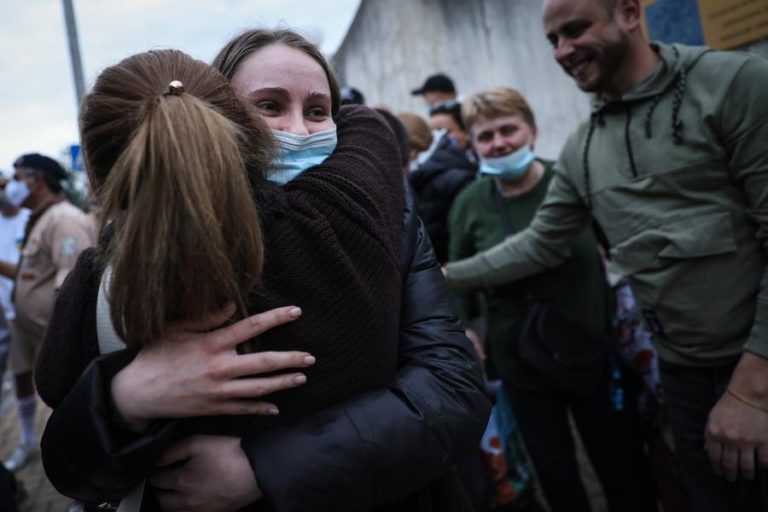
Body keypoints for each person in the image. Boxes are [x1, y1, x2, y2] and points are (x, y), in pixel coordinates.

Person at [37, 31, 489, 512]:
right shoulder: (369, 200)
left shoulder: (104, 278)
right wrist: (122, 399)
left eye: (319, 111)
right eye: (270, 106)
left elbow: (453, 386)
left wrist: (262, 467)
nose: (299, 130)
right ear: (217, 117)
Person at [443, 0, 768, 510]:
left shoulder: (733, 85)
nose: (563, 51)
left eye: (575, 31)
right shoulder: (584, 149)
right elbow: (539, 243)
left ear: (630, 12)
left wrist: (753, 388)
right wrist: (439, 278)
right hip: (681, 377)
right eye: (552, 40)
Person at [448, 86, 656, 512]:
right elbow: (456, 280)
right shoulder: (469, 204)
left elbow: (618, 246)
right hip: (521, 362)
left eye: (509, 129)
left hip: (593, 350)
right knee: (556, 475)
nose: (499, 142)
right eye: (486, 136)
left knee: (624, 470)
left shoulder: (570, 181)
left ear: (533, 131)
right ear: (473, 145)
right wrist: (465, 329)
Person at [2, 153, 94, 472]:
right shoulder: (42, 218)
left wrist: (63, 342)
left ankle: (89, 489)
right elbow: (35, 276)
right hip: (39, 334)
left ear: (36, 179)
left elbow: (72, 285)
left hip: (59, 340)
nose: (11, 187)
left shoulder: (63, 219)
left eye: (16, 178)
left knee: (79, 413)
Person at [409, 101, 477, 263]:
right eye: (434, 132)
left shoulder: (465, 176)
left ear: (466, 133)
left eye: (446, 131)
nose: (440, 137)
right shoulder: (423, 174)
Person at [0, 177, 30, 402]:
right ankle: (27, 433)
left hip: (30, 307)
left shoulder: (31, 218)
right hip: (5, 311)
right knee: (20, 374)